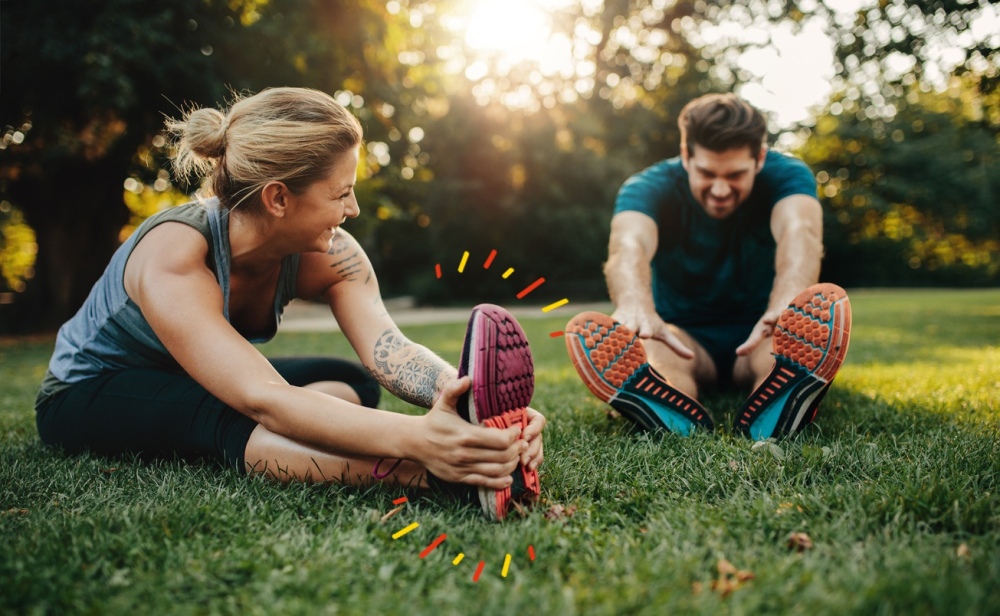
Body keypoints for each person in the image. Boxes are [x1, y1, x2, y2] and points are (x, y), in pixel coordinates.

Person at [33, 87, 544, 521]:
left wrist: (475, 407)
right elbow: (262, 396)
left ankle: (297, 440)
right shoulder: (175, 253)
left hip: (193, 379)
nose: (354, 209)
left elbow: (388, 348)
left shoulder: (330, 252)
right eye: (340, 193)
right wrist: (423, 441)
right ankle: (432, 478)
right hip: (90, 391)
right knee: (235, 413)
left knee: (354, 384)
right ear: (278, 198)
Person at [564, 93, 851, 440]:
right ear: (686, 156)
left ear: (759, 158)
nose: (719, 189)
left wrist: (787, 304)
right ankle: (670, 406)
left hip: (760, 331)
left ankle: (781, 401)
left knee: (780, 353)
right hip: (683, 337)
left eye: (734, 175)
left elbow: (799, 230)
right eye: (706, 173)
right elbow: (629, 243)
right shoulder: (647, 187)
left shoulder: (787, 175)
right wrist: (635, 305)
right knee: (656, 352)